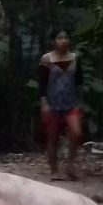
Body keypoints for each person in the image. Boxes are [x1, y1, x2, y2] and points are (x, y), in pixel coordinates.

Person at [38, 28, 84, 180]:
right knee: (53, 138)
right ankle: (54, 171)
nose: (64, 41)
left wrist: (80, 102)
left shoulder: (75, 58)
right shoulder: (47, 59)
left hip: (71, 103)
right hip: (52, 104)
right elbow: (42, 83)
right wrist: (44, 103)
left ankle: (70, 165)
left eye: (66, 37)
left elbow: (79, 83)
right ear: (53, 41)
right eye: (60, 38)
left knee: (76, 133)